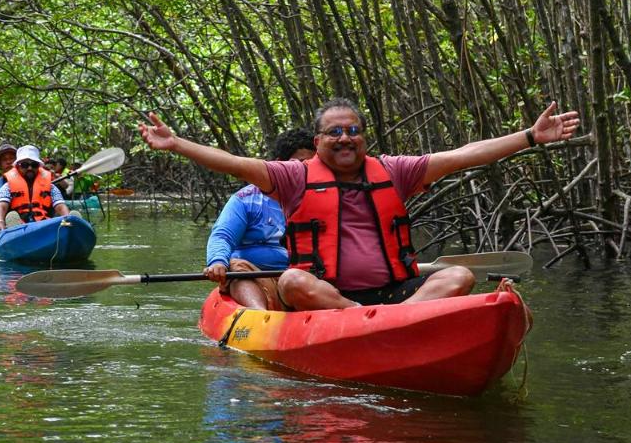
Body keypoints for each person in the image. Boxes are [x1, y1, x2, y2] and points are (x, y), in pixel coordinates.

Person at [140, 98, 579, 310]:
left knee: (459, 274)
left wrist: (529, 137)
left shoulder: (396, 171)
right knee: (293, 282)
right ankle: (368, 320)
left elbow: (464, 154)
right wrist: (176, 143)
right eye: (335, 132)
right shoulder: (293, 177)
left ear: (364, 138)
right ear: (318, 142)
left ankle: (396, 319)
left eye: (353, 131)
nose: (345, 138)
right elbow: (235, 163)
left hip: (394, 293)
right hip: (330, 296)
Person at [205, 128, 316, 309]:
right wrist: (217, 261)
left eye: (311, 165)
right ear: (280, 165)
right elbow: (223, 236)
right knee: (235, 266)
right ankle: (259, 317)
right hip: (257, 277)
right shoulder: (246, 199)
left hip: (307, 280)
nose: (305, 171)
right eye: (299, 164)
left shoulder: (326, 196)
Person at [0, 145, 71, 229]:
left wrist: (68, 217)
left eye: (34, 165)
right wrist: (0, 222)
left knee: (64, 218)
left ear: (39, 166)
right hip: (19, 225)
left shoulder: (51, 187)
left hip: (44, 225)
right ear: (18, 166)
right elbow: (1, 206)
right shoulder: (7, 187)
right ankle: (14, 228)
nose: (30, 168)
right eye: (24, 165)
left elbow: (60, 206)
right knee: (12, 218)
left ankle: (70, 220)